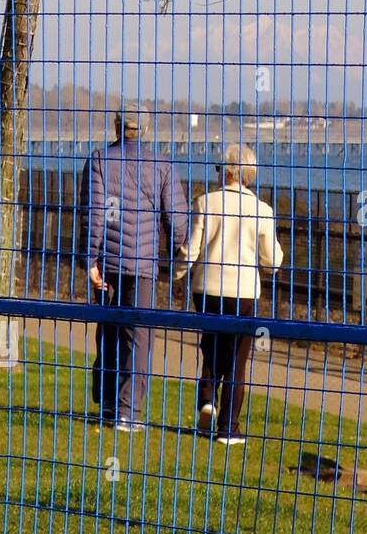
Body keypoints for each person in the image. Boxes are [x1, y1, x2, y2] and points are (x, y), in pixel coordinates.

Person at [80, 104, 189, 432]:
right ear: (144, 130)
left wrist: (90, 259)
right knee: (138, 339)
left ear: (116, 126)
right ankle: (128, 412)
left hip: (108, 262)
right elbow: (177, 218)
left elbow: (94, 214)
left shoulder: (99, 160)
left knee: (109, 331)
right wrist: (174, 248)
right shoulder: (161, 164)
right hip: (142, 264)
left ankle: (109, 401)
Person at [177, 143, 283, 445]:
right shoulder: (262, 210)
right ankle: (228, 427)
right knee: (237, 358)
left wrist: (176, 273)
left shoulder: (205, 202)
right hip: (243, 291)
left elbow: (192, 249)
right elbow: (272, 260)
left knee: (210, 346)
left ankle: (207, 399)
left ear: (229, 171)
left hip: (207, 287)